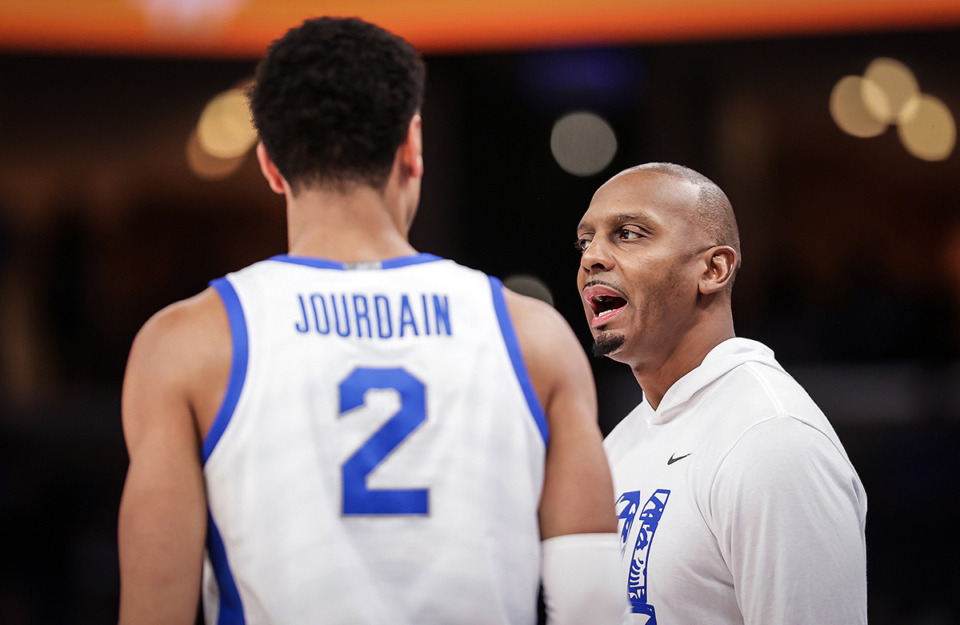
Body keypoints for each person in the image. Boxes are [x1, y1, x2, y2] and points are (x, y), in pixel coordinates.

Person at [117, 16, 624, 625]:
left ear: (270, 165)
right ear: (411, 146)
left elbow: (153, 612)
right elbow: (593, 607)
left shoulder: (187, 345)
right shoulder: (534, 337)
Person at [575, 162, 868, 624]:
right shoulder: (623, 440)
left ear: (714, 269)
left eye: (628, 233)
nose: (592, 257)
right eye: (585, 240)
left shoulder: (773, 441)